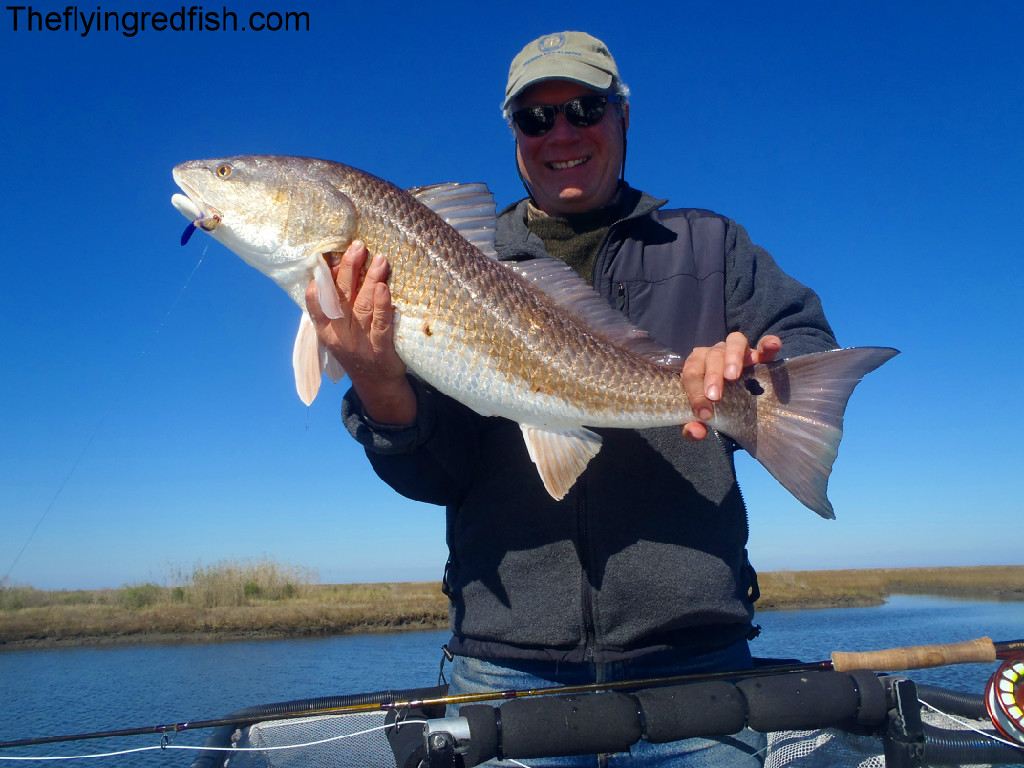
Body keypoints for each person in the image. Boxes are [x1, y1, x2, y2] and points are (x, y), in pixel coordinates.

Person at [308, 31, 837, 767]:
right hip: (505, 675)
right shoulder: (453, 256)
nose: (561, 133)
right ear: (514, 134)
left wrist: (750, 366)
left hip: (697, 668)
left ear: (624, 116)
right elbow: (435, 474)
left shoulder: (710, 246)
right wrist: (376, 383)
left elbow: (804, 348)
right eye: (536, 118)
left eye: (585, 108)